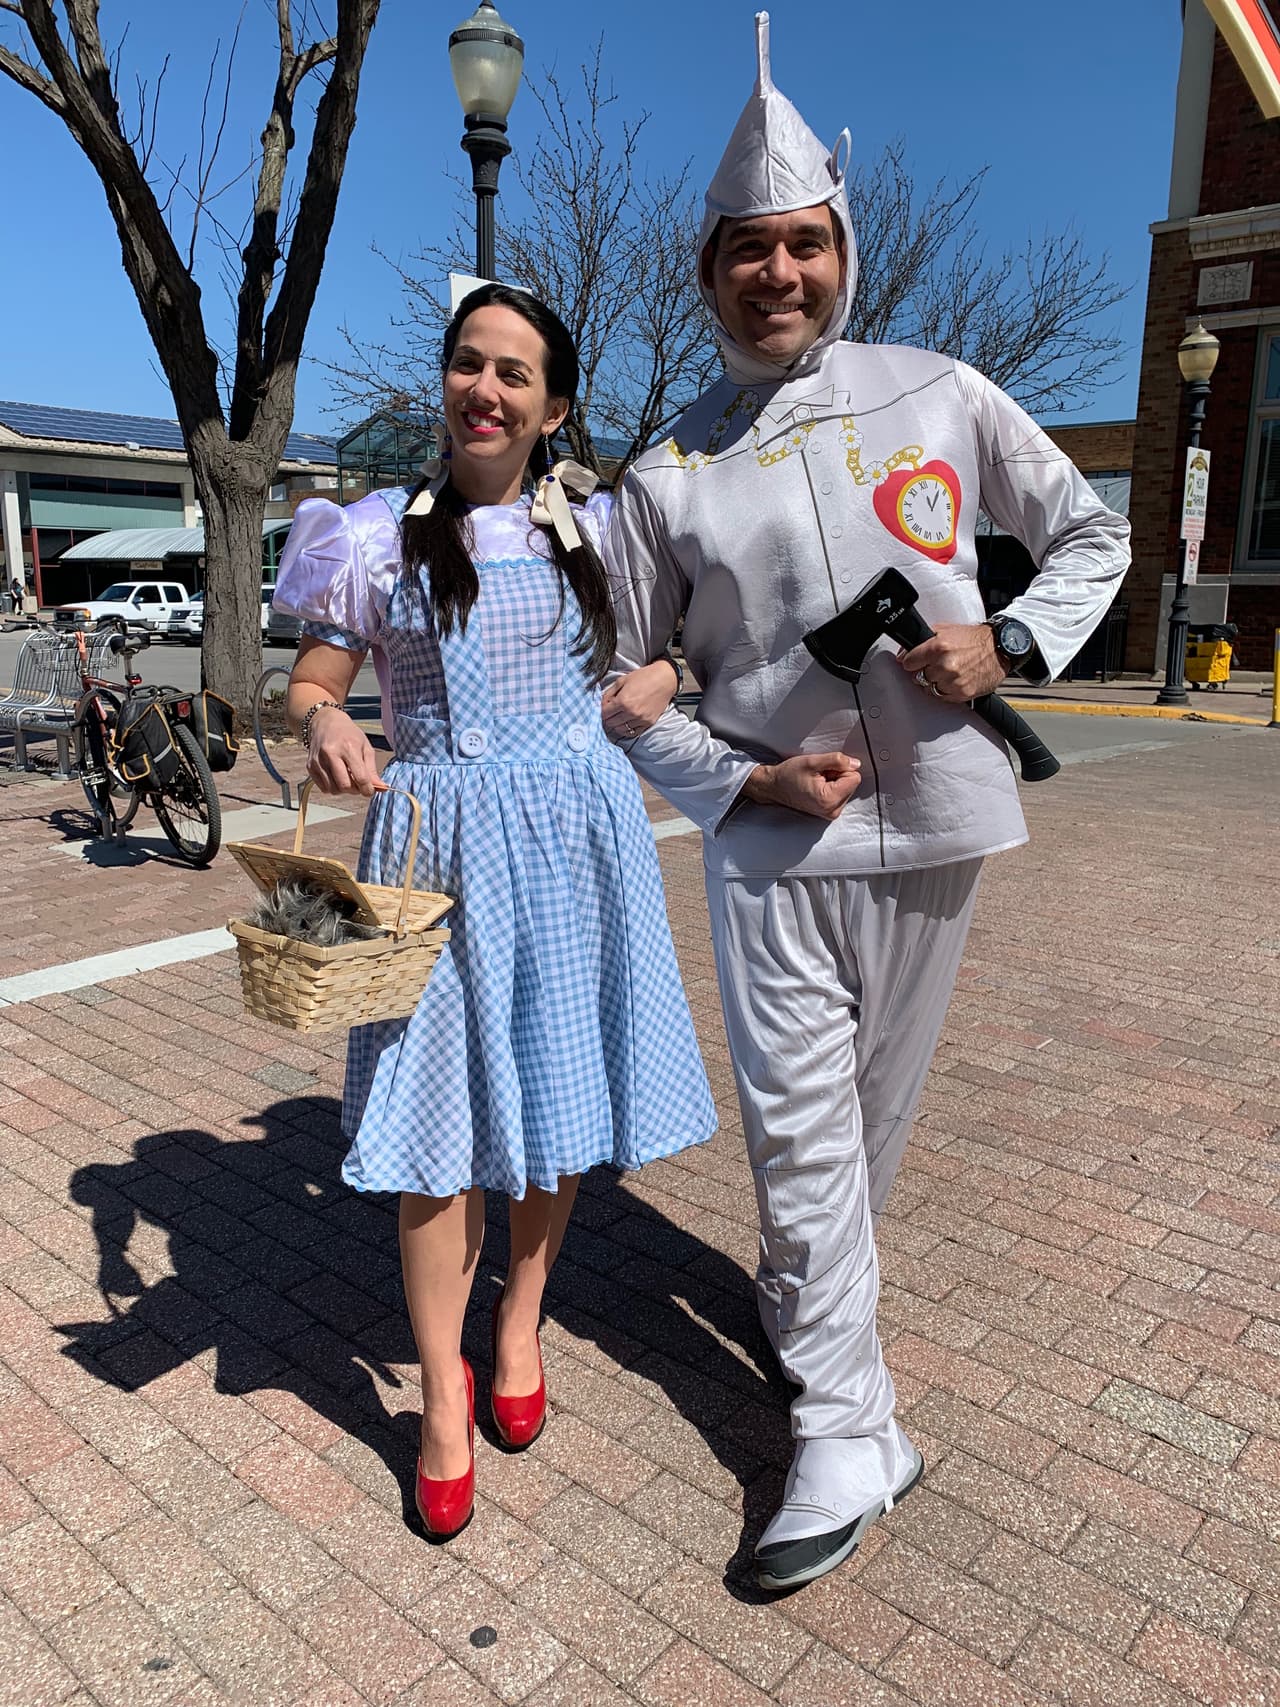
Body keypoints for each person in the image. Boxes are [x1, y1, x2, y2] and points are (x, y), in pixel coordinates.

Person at [603, 13, 1130, 1593]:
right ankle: (847, 1424)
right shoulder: (665, 474)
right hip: (775, 838)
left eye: (804, 243)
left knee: (865, 1126)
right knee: (798, 1121)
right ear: (706, 271)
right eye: (748, 249)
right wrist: (740, 774)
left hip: (945, 816)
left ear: (842, 249)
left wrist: (1010, 638)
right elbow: (623, 688)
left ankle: (805, 1303)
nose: (779, 271)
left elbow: (1091, 533)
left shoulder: (941, 393)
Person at [273, 283, 716, 1543]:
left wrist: (667, 670)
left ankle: (519, 1320)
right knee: (433, 1129)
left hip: (575, 841)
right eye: (469, 364)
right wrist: (324, 721)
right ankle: (439, 1392)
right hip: (433, 849)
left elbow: (710, 626)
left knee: (555, 1093)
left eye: (514, 373)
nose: (485, 389)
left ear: (553, 407)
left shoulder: (603, 532)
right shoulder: (373, 536)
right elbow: (312, 676)